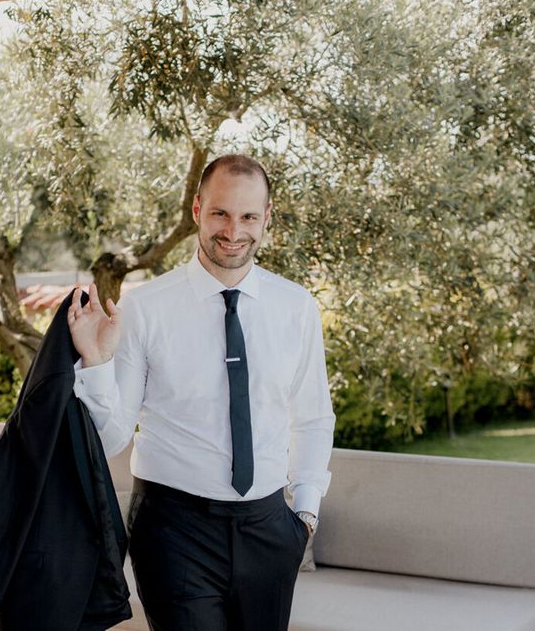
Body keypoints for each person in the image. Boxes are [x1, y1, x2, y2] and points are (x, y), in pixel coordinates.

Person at [67, 154, 335, 631]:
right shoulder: (145, 308)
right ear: (196, 210)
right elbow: (108, 439)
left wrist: (306, 515)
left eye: (249, 216)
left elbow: (312, 418)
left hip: (270, 528)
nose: (234, 230)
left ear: (267, 217)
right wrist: (95, 362)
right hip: (174, 530)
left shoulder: (296, 308)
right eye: (220, 213)